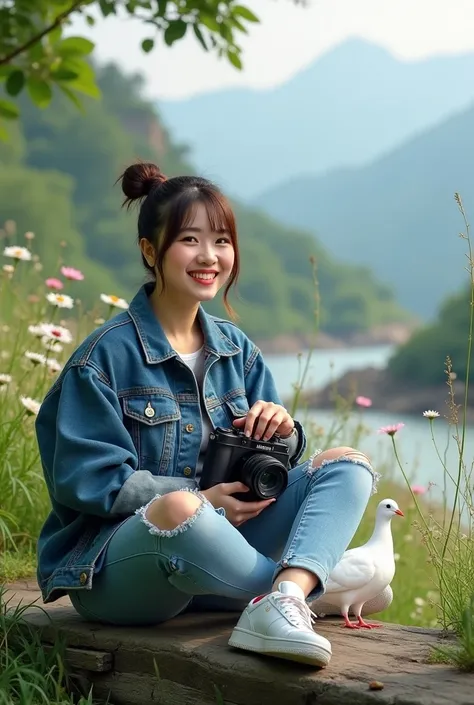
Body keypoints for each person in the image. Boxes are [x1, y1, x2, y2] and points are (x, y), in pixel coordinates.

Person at [35, 162, 390, 669]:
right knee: (180, 510)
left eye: (221, 241)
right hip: (123, 570)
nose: (210, 256)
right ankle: (316, 588)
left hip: (230, 556)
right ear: (150, 251)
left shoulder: (235, 349)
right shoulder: (103, 358)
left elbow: (277, 471)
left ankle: (285, 597)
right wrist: (202, 501)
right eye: (190, 240)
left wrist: (283, 433)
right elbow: (86, 480)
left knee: (347, 464)